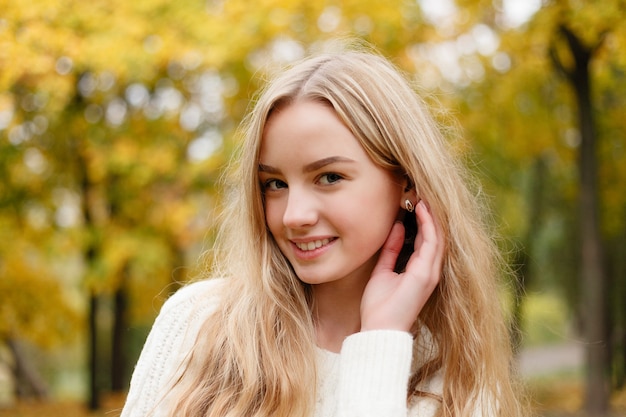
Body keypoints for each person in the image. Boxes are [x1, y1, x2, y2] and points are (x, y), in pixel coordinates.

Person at [121, 45, 527, 417]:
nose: (293, 216)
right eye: (274, 184)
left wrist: (381, 343)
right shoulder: (196, 323)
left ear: (406, 182)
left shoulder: (458, 389)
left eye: (329, 177)